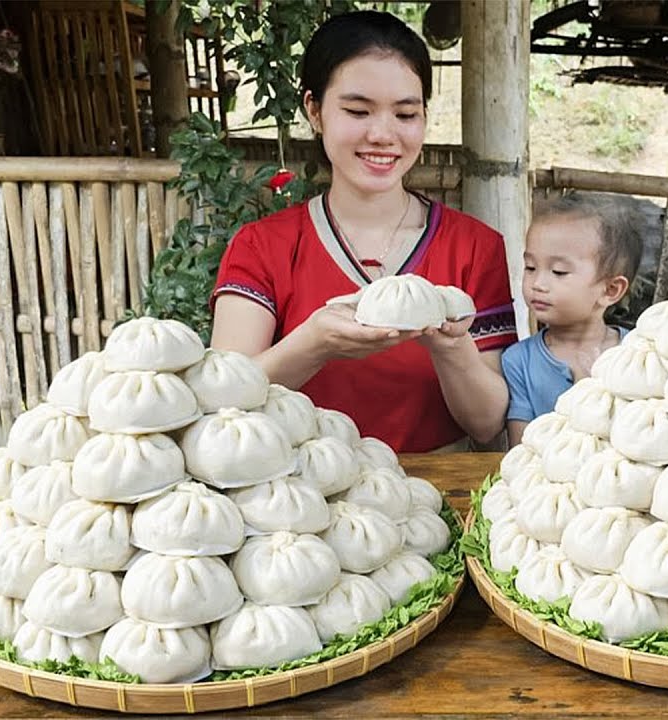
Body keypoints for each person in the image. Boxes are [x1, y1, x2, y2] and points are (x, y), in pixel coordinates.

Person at [209, 11, 516, 453]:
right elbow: (224, 402)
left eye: (406, 113)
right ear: (314, 111)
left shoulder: (475, 247)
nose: (383, 134)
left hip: (437, 498)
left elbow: (487, 425)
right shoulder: (261, 247)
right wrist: (313, 345)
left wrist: (450, 345)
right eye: (357, 110)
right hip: (298, 498)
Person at [502, 192, 642, 446]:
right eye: (530, 267)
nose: (538, 284)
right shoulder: (519, 361)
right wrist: (584, 395)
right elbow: (522, 451)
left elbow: (642, 441)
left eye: (558, 271)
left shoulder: (635, 355)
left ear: (610, 290)